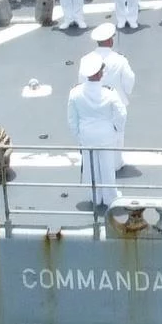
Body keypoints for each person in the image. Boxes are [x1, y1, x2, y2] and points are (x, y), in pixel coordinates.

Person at [68, 50, 126, 210]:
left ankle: (94, 196)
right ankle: (109, 197)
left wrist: (78, 135)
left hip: (86, 135)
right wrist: (117, 128)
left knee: (90, 167)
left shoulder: (75, 93)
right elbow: (121, 114)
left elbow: (72, 118)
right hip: (106, 134)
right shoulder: (109, 92)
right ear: (100, 73)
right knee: (107, 167)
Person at [89, 22, 137, 100]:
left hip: (94, 100)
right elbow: (130, 78)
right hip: (116, 100)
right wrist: (126, 91)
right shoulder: (121, 59)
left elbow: (82, 81)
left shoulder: (86, 59)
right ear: (109, 41)